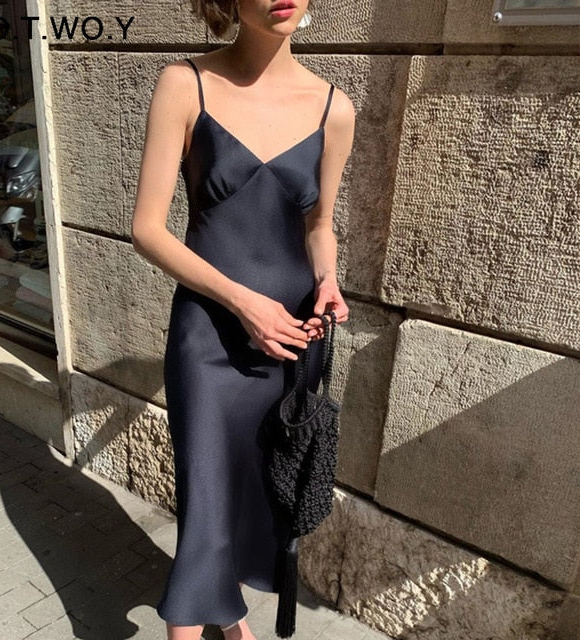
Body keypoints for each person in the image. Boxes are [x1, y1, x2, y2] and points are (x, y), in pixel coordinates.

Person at [131, 1, 355, 638]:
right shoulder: (185, 84)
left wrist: (328, 279)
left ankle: (229, 618)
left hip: (292, 338)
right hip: (208, 334)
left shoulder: (334, 108)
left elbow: (319, 225)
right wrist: (243, 302)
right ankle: (189, 627)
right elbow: (147, 229)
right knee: (205, 494)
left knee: (258, 489)